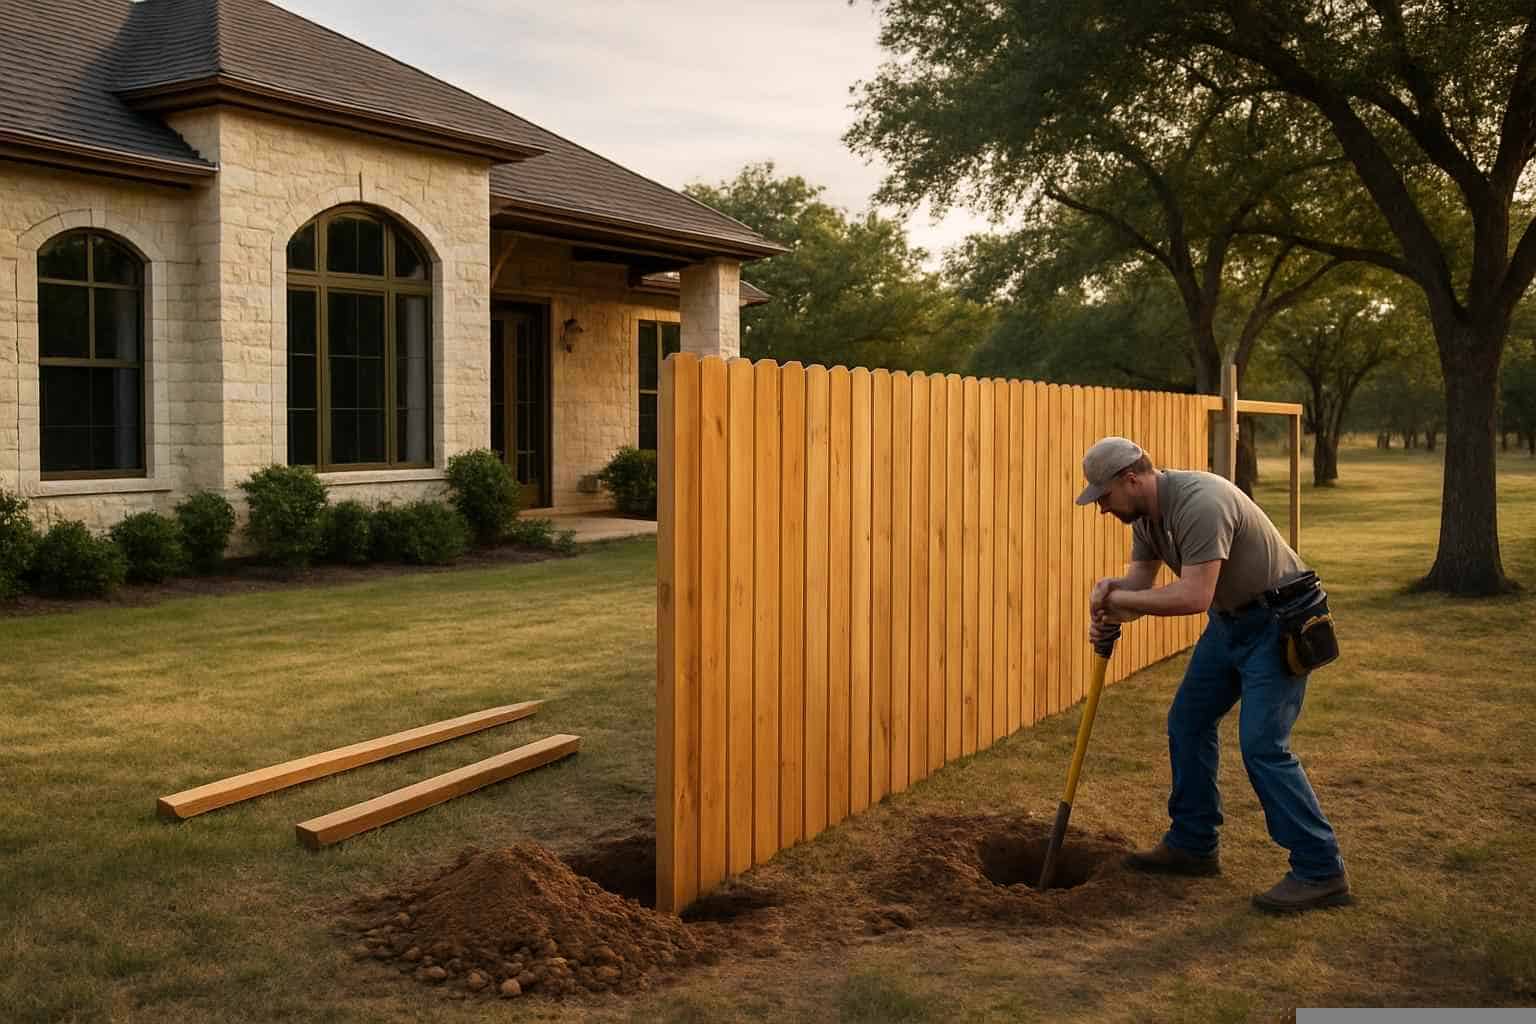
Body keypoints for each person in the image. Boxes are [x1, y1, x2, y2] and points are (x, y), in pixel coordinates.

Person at [1076, 436, 1350, 913]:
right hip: (1229, 625)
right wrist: (1111, 595)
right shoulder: (1146, 518)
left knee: (1264, 747)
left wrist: (1119, 602)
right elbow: (1141, 587)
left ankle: (1321, 870)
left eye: (1103, 496)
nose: (1102, 509)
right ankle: (1193, 844)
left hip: (1279, 623)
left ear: (1131, 479)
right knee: (1188, 722)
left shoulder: (1202, 502)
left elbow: (1191, 597)